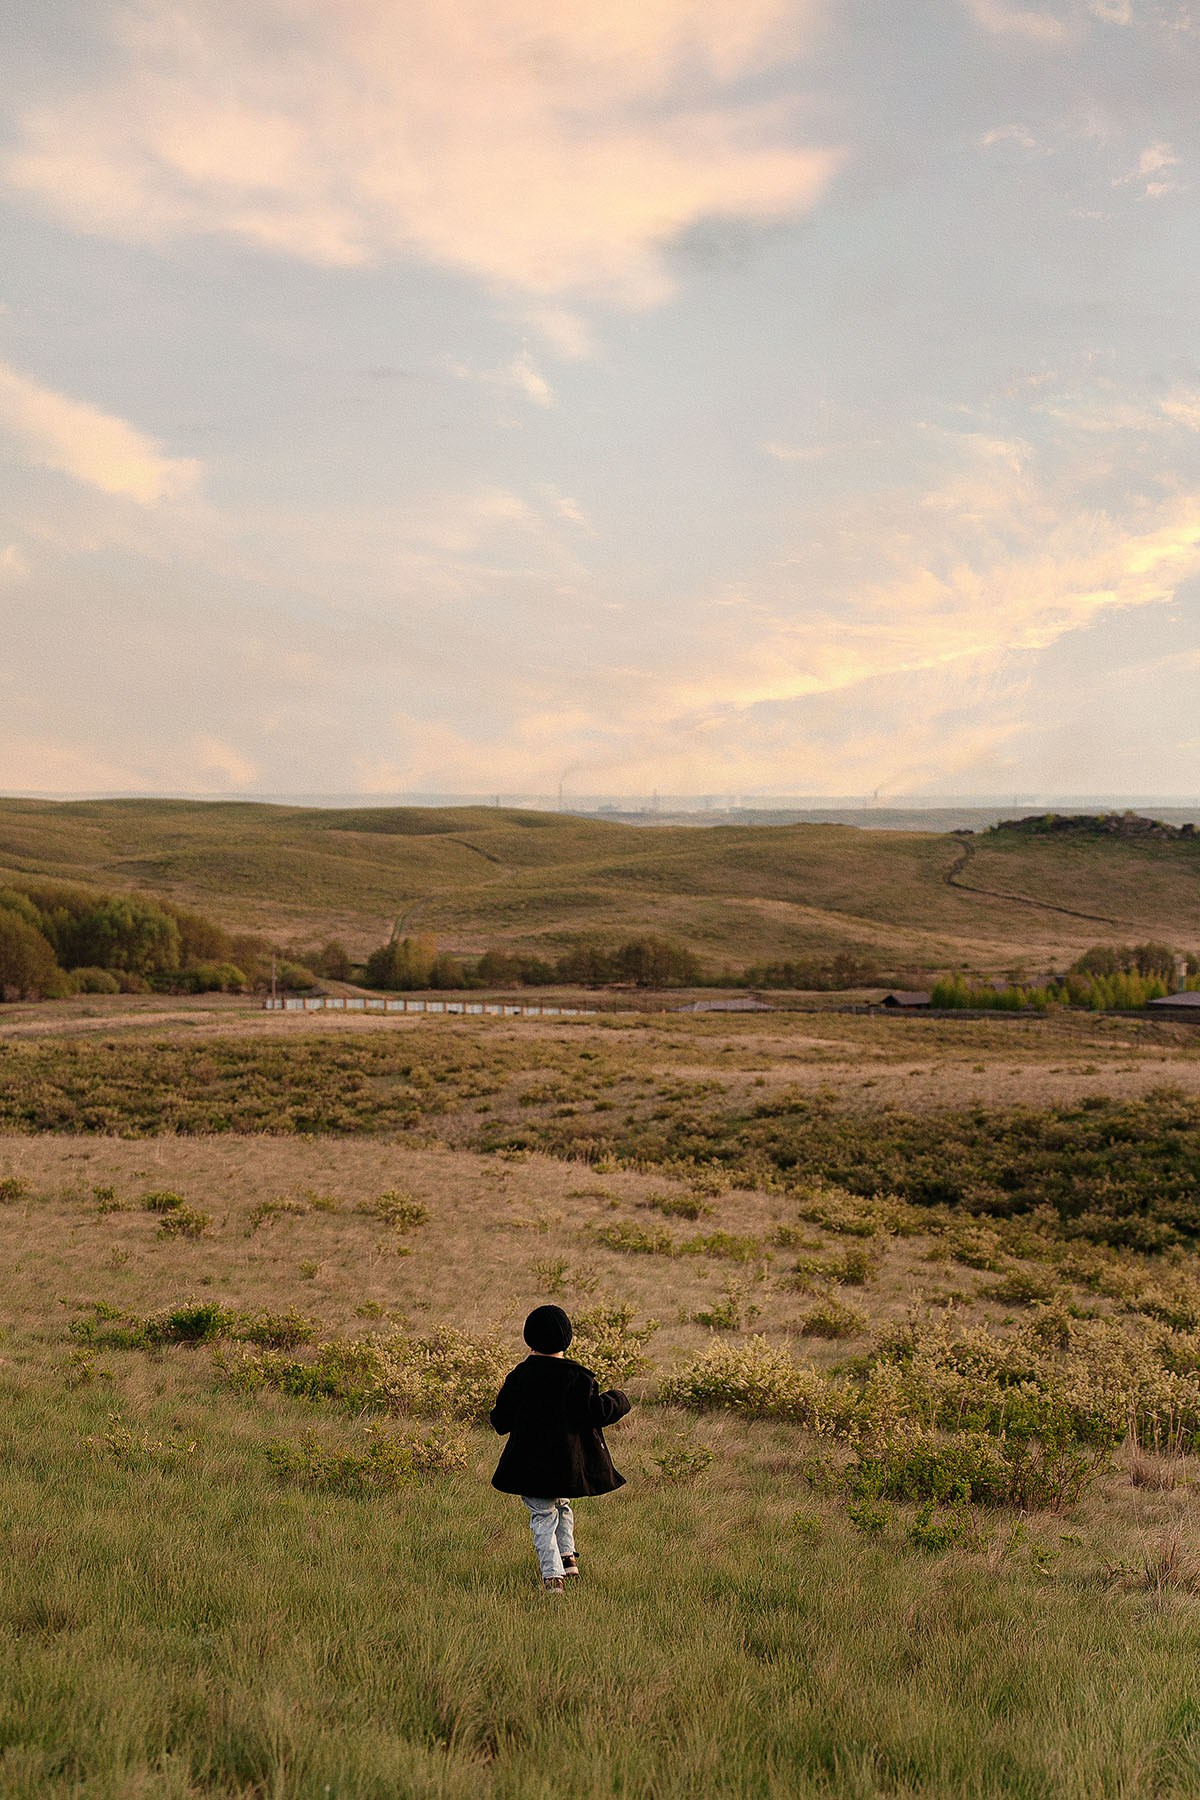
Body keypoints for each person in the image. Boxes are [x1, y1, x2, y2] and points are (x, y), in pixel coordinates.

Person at [490, 1304, 632, 1593]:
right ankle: (567, 1560)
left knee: (542, 1515)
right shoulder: (578, 1378)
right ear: (567, 1339)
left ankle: (553, 1575)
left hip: (529, 1466)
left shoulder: (519, 1377)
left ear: (529, 1338)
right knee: (561, 1505)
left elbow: (500, 1421)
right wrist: (619, 1398)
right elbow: (598, 1412)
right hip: (567, 1465)